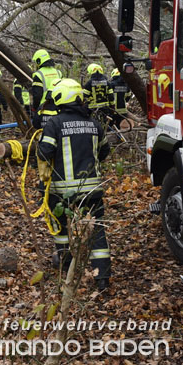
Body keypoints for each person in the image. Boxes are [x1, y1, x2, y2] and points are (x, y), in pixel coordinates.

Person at [37, 79, 111, 291]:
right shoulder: (95, 123)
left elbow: (45, 152)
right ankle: (102, 278)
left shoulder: (55, 123)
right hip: (93, 190)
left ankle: (66, 266)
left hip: (63, 192)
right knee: (97, 232)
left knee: (61, 229)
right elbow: (104, 152)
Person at [30, 49, 62, 127]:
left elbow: (37, 95)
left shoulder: (38, 74)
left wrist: (35, 108)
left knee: (44, 132)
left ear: (38, 61)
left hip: (44, 108)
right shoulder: (58, 73)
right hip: (59, 107)